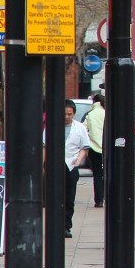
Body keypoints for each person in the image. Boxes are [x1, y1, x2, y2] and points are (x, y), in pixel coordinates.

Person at [62, 99, 91, 238]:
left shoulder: (80, 128)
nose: (67, 117)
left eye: (70, 114)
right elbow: (44, 146)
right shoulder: (52, 125)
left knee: (69, 198)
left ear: (74, 114)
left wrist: (78, 161)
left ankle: (66, 226)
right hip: (56, 165)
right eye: (65, 114)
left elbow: (84, 147)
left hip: (72, 165)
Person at [84, 93, 106, 208]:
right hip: (107, 149)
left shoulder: (90, 114)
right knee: (107, 174)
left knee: (97, 174)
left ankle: (99, 200)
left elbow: (84, 128)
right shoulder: (107, 113)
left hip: (94, 148)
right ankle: (106, 196)